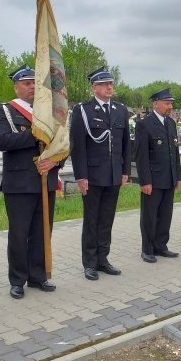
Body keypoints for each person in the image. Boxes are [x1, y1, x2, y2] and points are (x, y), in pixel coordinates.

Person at [0, 65, 62, 298]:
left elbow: (62, 144)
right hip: (19, 183)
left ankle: (38, 276)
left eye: (35, 83)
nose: (32, 87)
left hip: (46, 178)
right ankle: (17, 280)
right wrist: (34, 134)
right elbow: (0, 141)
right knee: (19, 234)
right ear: (16, 86)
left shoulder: (50, 111)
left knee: (43, 231)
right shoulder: (5, 111)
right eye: (26, 83)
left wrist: (55, 163)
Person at [70, 67, 131, 279]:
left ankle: (103, 259)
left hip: (114, 174)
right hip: (93, 176)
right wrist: (81, 176)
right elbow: (78, 147)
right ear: (94, 87)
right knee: (92, 220)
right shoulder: (83, 111)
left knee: (107, 219)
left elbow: (125, 145)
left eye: (111, 84)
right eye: (104, 84)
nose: (109, 87)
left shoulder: (120, 110)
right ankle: (89, 263)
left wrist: (125, 171)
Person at [134, 88, 181, 263]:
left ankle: (161, 246)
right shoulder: (144, 124)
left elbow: (174, 152)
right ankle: (147, 249)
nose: (170, 106)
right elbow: (142, 156)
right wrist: (145, 181)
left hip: (168, 178)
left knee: (165, 214)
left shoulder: (170, 123)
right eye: (167, 103)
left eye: (171, 103)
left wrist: (177, 176)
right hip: (153, 180)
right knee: (149, 215)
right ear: (155, 104)